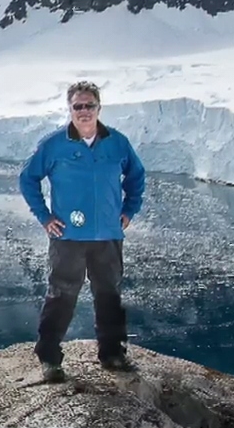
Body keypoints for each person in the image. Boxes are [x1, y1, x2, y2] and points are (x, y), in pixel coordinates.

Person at [18, 81, 146, 382]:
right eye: (78, 106)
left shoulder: (117, 143)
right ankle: (49, 358)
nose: (84, 111)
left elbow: (136, 177)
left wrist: (129, 210)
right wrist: (45, 216)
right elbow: (28, 179)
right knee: (61, 295)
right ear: (70, 109)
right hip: (68, 237)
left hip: (107, 235)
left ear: (99, 108)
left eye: (89, 105)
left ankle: (113, 353)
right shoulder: (54, 145)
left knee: (109, 294)